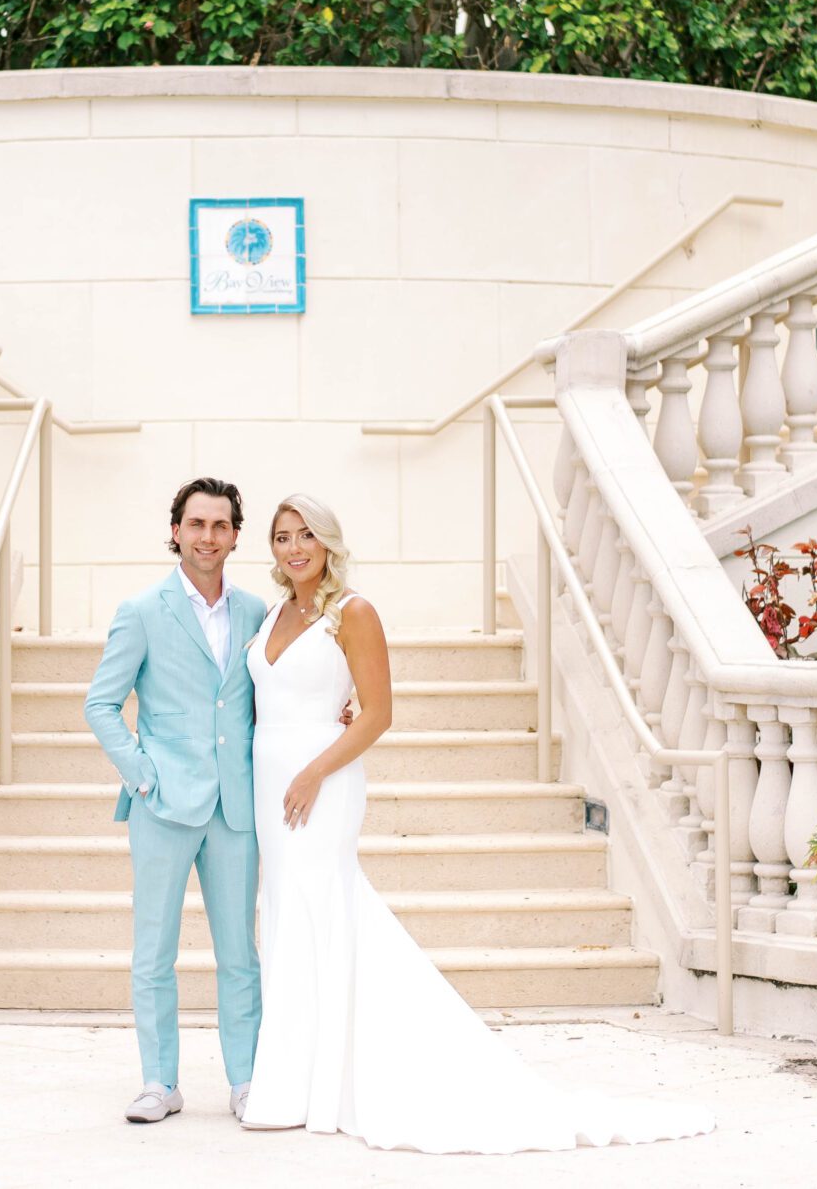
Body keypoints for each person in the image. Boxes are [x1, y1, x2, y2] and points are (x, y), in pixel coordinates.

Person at [237, 493, 714, 1153]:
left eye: (306, 535)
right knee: (287, 916)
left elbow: (377, 713)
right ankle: (289, 1078)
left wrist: (315, 771)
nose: (293, 548)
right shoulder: (271, 614)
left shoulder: (355, 612)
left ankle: (330, 1083)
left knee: (325, 908)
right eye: (283, 536)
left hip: (322, 782)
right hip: (270, 785)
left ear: (328, 544)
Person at [83, 476, 271, 1124]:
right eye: (196, 524)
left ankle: (247, 1080)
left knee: (240, 954)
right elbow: (100, 703)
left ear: (236, 536)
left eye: (220, 525)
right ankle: (159, 1081)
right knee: (154, 949)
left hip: (235, 808)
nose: (208, 537)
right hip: (162, 804)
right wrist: (142, 774)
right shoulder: (141, 610)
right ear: (175, 530)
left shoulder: (256, 611)